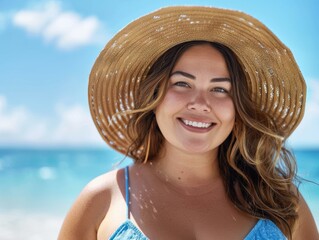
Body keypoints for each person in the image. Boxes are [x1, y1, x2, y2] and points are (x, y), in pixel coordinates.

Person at [58, 6, 319, 240]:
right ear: (154, 96)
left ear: (239, 109)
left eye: (220, 89)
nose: (200, 102)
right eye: (182, 83)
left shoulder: (282, 201)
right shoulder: (103, 199)